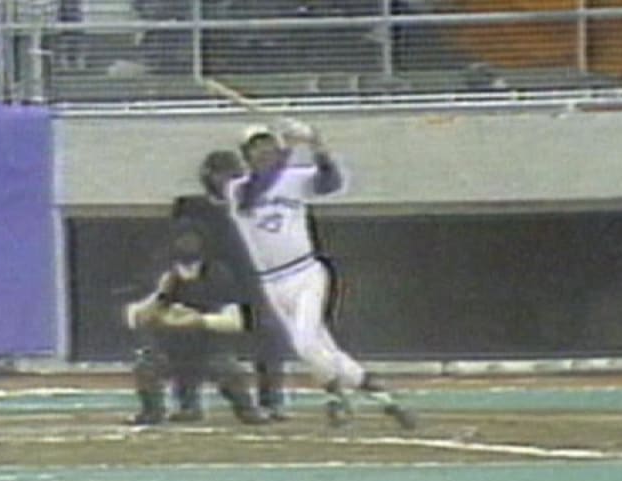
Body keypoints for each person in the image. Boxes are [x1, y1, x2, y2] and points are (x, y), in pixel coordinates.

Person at [225, 121, 417, 429]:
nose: (263, 152)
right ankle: (381, 395)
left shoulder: (292, 179)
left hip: (306, 273)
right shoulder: (238, 190)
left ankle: (334, 396)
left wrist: (318, 145)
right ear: (245, 155)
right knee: (322, 350)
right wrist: (289, 149)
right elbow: (259, 189)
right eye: (255, 148)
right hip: (272, 282)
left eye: (267, 145)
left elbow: (332, 182)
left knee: (304, 342)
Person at [174, 150, 293, 420]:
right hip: (207, 286)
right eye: (221, 175)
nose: (226, 181)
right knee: (189, 339)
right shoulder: (192, 208)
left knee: (269, 336)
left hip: (250, 284)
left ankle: (272, 400)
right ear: (208, 177)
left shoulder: (255, 206)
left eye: (233, 175)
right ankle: (188, 402)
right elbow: (183, 245)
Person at [123, 220, 269, 426]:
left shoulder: (219, 274)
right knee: (146, 365)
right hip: (169, 347)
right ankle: (154, 411)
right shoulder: (161, 273)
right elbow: (136, 317)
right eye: (182, 239)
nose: (187, 244)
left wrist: (199, 321)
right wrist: (162, 298)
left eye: (192, 239)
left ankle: (247, 409)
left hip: (210, 347)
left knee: (230, 371)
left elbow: (237, 320)